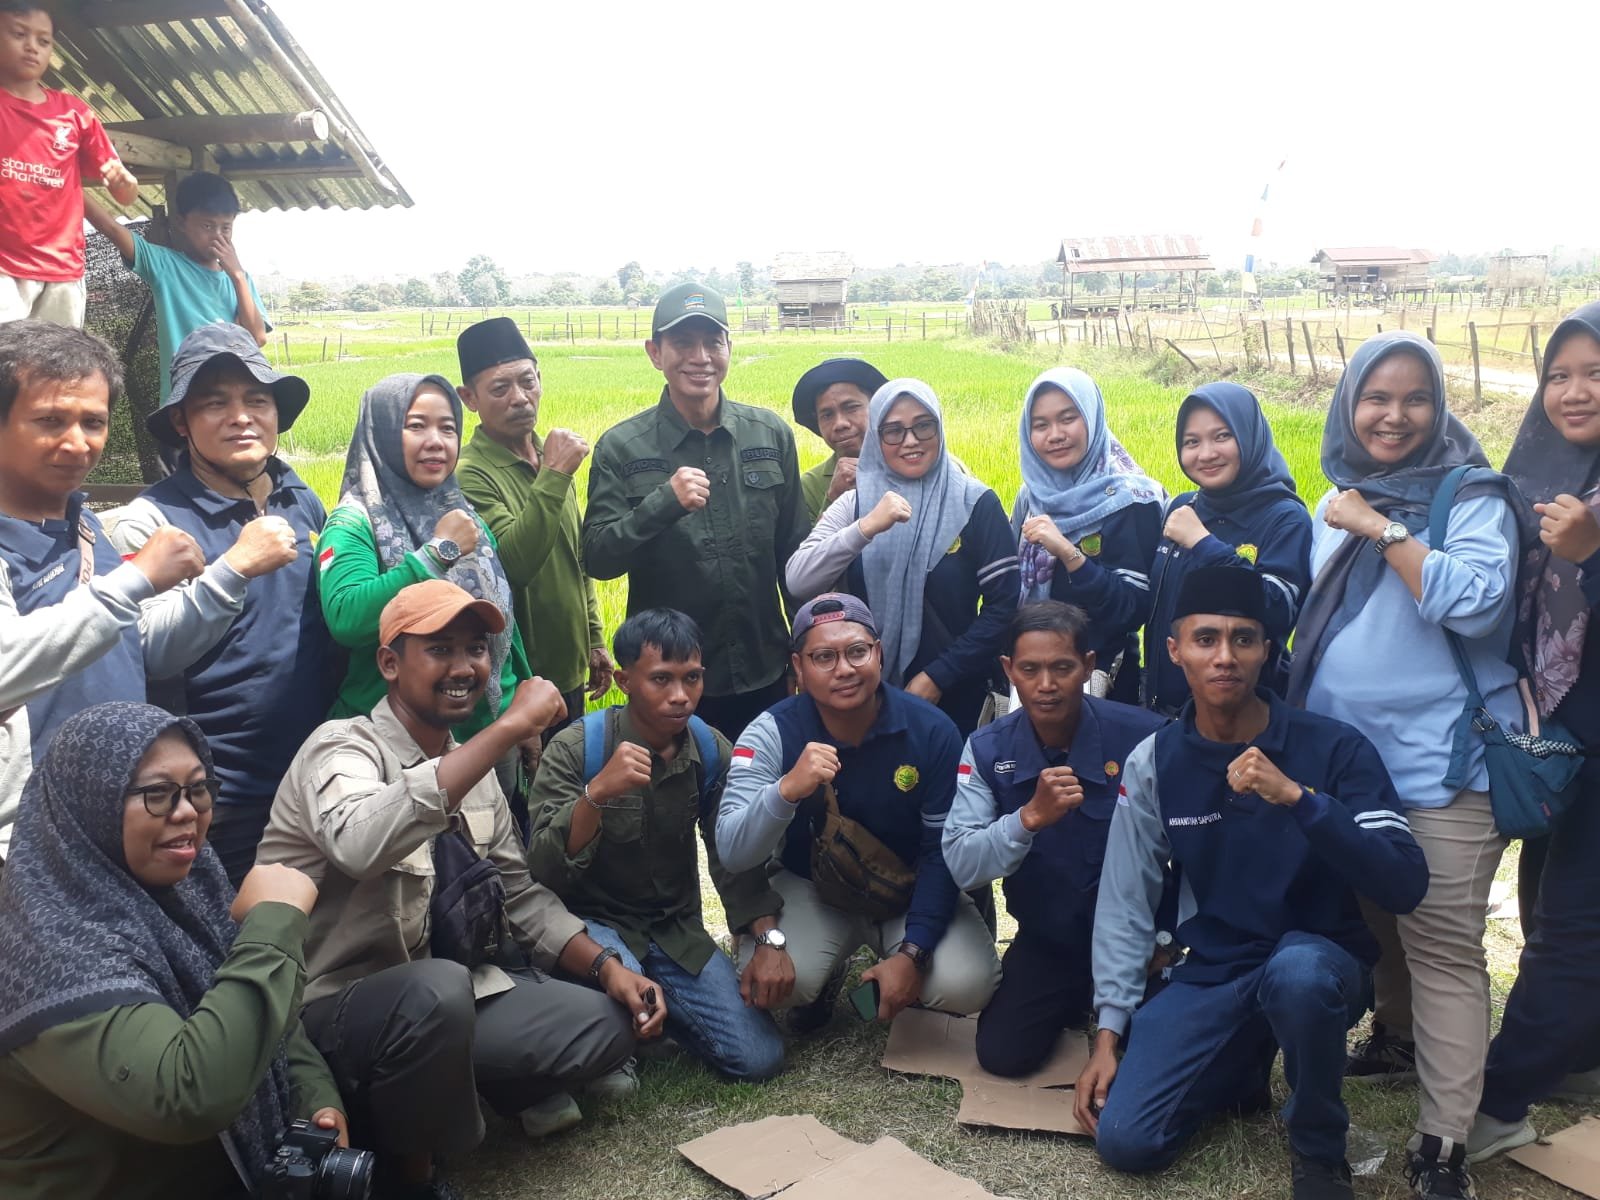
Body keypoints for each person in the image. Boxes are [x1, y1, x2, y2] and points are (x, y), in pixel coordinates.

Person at [257, 581, 664, 1199]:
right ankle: (412, 1170)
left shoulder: (472, 771)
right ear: (389, 664)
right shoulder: (339, 747)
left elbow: (518, 895)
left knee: (604, 1024)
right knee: (437, 989)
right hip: (332, 1006)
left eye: (475, 649)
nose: (464, 666)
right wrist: (504, 732)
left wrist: (608, 967)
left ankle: (435, 1089)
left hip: (443, 1000)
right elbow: (359, 845)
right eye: (440, 649)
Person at [1078, 566, 1427, 1200]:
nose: (1225, 657)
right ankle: (1241, 1065)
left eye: (1244, 639)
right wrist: (1109, 1033)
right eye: (1205, 638)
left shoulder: (1334, 748)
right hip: (1219, 965)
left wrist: (1300, 799)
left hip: (1320, 961)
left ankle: (1319, 1152)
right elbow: (1125, 899)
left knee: (1296, 977)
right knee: (1127, 1141)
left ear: (1268, 650)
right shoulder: (1156, 759)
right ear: (1174, 648)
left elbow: (1403, 882)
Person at [1286, 331, 1518, 1200]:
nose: (1393, 414)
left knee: (1444, 947)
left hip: (1444, 769)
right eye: (1374, 396)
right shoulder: (1332, 500)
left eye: (1414, 397)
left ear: (1439, 407)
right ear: (1349, 403)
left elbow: (1476, 605)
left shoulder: (1474, 497)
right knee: (1377, 917)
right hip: (1353, 767)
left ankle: (1445, 1144)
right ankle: (1395, 1036)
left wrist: (1380, 528)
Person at [0, 702, 348, 1199]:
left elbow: (269, 1020)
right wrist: (272, 921)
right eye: (158, 794)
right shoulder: (45, 951)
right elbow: (188, 1094)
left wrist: (314, 1095)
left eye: (198, 788)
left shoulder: (187, 884)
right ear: (90, 804)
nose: (187, 811)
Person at [0, 320, 242, 862]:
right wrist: (134, 581)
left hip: (115, 821)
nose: (77, 442)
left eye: (93, 421)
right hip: (28, 841)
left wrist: (231, 576)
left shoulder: (87, 529)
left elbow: (146, 655)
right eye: (49, 421)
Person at [107, 324, 332, 884]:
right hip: (225, 797)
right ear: (182, 423)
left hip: (324, 775)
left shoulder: (303, 499)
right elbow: (151, 651)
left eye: (258, 400)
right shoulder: (152, 519)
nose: (242, 416)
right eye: (216, 403)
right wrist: (234, 567)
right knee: (237, 953)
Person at [716, 593, 1000, 1030]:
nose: (844, 669)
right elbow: (734, 851)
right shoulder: (772, 731)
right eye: (824, 657)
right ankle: (828, 972)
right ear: (798, 667)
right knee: (780, 986)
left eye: (857, 651)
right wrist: (787, 789)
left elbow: (940, 852)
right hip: (812, 887)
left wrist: (914, 952)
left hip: (906, 889)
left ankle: (887, 971)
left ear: (879, 654)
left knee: (967, 985)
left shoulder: (932, 730)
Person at [526, 608, 786, 1081]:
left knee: (758, 1058)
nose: (681, 696)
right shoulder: (576, 749)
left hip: (672, 930)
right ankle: (612, 1020)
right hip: (591, 929)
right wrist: (597, 794)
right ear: (624, 681)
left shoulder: (709, 751)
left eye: (692, 678)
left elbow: (735, 858)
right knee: (615, 1028)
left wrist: (767, 938)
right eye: (661, 680)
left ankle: (649, 1019)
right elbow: (542, 871)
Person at [1471, 301, 1600, 1161]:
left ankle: (1499, 1102)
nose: (1573, 391)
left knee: (1577, 926)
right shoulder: (1539, 470)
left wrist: (1592, 556)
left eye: (1595, 374)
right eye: (1559, 374)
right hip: (1550, 731)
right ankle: (1577, 1058)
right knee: (1543, 898)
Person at [943, 601, 1166, 1077]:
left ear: (1087, 666)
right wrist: (1026, 819)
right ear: (1008, 670)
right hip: (1052, 941)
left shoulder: (1145, 738)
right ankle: (1078, 995)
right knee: (1002, 1056)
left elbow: (1194, 848)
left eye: (1062, 668)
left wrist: (1168, 938)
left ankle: (1116, 1001)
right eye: (1030, 669)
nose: (1046, 685)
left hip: (1140, 944)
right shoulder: (986, 750)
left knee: (1172, 1055)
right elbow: (962, 863)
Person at [583, 282, 808, 741]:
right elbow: (599, 558)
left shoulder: (769, 434)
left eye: (712, 342)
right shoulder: (622, 447)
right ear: (654, 352)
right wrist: (662, 504)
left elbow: (796, 557)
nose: (700, 356)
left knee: (770, 799)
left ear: (729, 348)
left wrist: (803, 653)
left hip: (764, 668)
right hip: (668, 682)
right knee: (671, 805)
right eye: (683, 343)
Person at [318, 372, 534, 823]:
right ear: (380, 432)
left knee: (495, 875)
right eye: (416, 426)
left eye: (447, 427)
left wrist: (522, 705)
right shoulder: (354, 523)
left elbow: (500, 617)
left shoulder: (461, 512)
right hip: (400, 750)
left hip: (488, 735)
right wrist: (438, 553)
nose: (435, 441)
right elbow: (346, 617)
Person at [786, 377, 1018, 737]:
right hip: (866, 696)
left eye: (923, 426)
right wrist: (867, 527)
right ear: (877, 440)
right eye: (893, 431)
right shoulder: (856, 504)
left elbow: (1003, 606)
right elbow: (799, 579)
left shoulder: (974, 503)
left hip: (957, 695)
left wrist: (937, 676)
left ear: (939, 428)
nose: (910, 441)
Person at [455, 317, 611, 738]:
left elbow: (575, 557)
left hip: (570, 669)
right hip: (518, 682)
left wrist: (594, 637)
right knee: (531, 800)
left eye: (527, 381)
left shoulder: (550, 455)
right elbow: (513, 564)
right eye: (500, 389)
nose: (520, 398)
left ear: (540, 377)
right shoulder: (471, 473)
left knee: (572, 789)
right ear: (469, 397)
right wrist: (555, 474)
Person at [1144, 382, 1311, 713]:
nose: (1206, 454)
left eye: (1222, 436)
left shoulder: (1285, 518)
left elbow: (1278, 610)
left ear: (1249, 436)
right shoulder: (1181, 507)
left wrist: (1203, 543)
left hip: (1240, 720)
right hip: (1162, 711)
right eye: (1192, 442)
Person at [1013, 367, 1165, 704]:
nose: (1055, 434)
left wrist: (1069, 554)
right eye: (1041, 425)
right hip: (1035, 679)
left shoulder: (1132, 498)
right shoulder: (1032, 496)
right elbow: (1012, 592)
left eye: (1068, 418)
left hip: (1103, 684)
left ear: (1092, 419)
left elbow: (1133, 609)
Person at [0, 1, 138, 327]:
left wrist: (124, 183)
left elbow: (125, 197)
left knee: (58, 371)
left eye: (43, 40)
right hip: (4, 268)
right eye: (19, 34)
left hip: (63, 271)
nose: (32, 46)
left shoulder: (74, 113)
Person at [84, 171, 268, 402]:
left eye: (226, 227)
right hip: (183, 403)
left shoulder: (240, 280)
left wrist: (238, 277)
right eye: (207, 226)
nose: (217, 237)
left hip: (232, 401)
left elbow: (257, 338)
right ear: (181, 223)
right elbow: (112, 229)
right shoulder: (165, 266)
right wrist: (70, 184)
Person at [789, 357, 887, 523]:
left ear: (877, 407)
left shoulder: (913, 463)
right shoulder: (810, 486)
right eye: (827, 415)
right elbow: (809, 548)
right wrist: (833, 498)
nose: (840, 424)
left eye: (851, 408)